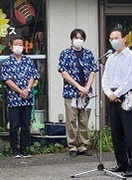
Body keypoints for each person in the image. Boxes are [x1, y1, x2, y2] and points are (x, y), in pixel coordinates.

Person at [101, 27, 132, 177]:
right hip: (112, 96)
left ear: (124, 38)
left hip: (127, 95)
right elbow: (105, 78)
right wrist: (109, 93)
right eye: (111, 39)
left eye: (116, 38)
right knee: (116, 132)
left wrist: (116, 93)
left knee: (130, 132)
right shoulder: (111, 58)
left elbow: (131, 80)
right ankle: (121, 163)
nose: (113, 41)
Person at [57, 29, 98, 157]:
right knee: (71, 121)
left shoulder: (88, 54)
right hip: (71, 93)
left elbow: (93, 71)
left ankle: (83, 146)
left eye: (81, 38)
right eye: (76, 37)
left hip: (86, 93)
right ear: (72, 39)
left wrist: (86, 87)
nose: (78, 40)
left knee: (84, 120)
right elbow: (64, 73)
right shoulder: (65, 54)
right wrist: (79, 87)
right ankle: (72, 146)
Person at [1, 36, 39, 158]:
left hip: (26, 98)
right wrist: (19, 91)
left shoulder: (28, 61)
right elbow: (7, 80)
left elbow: (33, 76)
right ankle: (14, 150)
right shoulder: (7, 63)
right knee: (14, 126)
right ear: (11, 47)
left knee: (25, 125)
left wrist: (27, 89)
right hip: (14, 98)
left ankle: (24, 149)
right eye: (16, 44)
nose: (18, 47)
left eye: (20, 44)